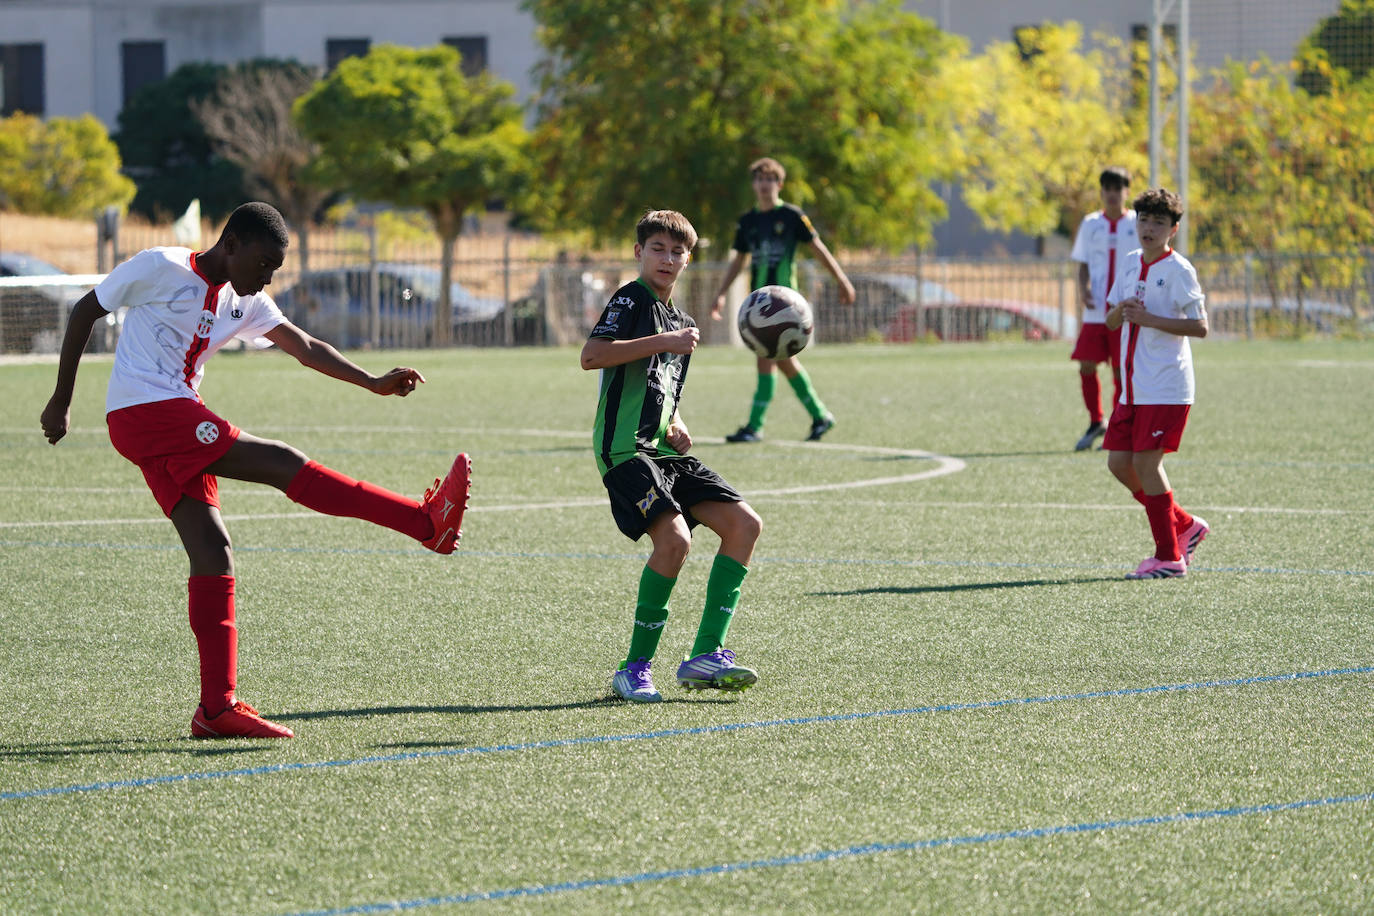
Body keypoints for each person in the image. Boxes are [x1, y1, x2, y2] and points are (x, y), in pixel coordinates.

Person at [39, 202, 471, 738]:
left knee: (213, 549)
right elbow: (85, 310)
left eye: (276, 269)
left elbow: (305, 346)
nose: (267, 277)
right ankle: (426, 522)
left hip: (166, 423)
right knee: (280, 462)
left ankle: (216, 709)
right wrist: (61, 400)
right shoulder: (160, 266)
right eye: (263, 262)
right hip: (146, 412)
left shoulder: (246, 300)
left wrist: (373, 382)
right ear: (232, 244)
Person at [581, 209, 764, 702]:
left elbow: (662, 390)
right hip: (624, 450)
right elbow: (592, 355)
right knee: (675, 540)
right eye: (658, 249)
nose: (668, 258)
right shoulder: (632, 298)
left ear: (689, 259)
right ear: (639, 252)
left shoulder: (681, 321)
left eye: (678, 251)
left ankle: (706, 654)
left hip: (663, 450)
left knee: (745, 525)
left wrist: (678, 424)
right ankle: (635, 667)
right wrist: (665, 341)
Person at [709, 157, 856, 443]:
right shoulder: (748, 222)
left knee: (770, 358)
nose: (764, 185)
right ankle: (818, 416)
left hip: (786, 304)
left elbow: (818, 248)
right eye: (759, 179)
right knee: (779, 361)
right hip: (759, 303)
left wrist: (842, 279)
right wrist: (722, 293)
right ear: (753, 184)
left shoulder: (791, 216)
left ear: (780, 183)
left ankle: (756, 426)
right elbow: (738, 261)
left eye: (770, 179)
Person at [1103, 188, 1209, 579]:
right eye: (1144, 220)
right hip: (1133, 389)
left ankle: (1168, 557)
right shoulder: (1130, 263)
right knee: (1119, 463)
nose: (1149, 228)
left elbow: (1200, 327)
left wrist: (1150, 320)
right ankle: (1183, 524)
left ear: (1173, 230)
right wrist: (1122, 310)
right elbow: (1112, 321)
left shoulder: (1179, 270)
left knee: (1147, 465)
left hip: (1165, 386)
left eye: (1158, 223)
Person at [1069, 166, 1139, 451]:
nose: (1112, 194)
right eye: (1107, 189)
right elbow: (1083, 262)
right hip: (1096, 310)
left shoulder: (1136, 223)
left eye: (1118, 188)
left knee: (1121, 371)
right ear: (1102, 192)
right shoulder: (1090, 223)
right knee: (1086, 364)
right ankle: (1096, 420)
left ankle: (1119, 427)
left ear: (1126, 191)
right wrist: (1083, 289)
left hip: (1123, 310)